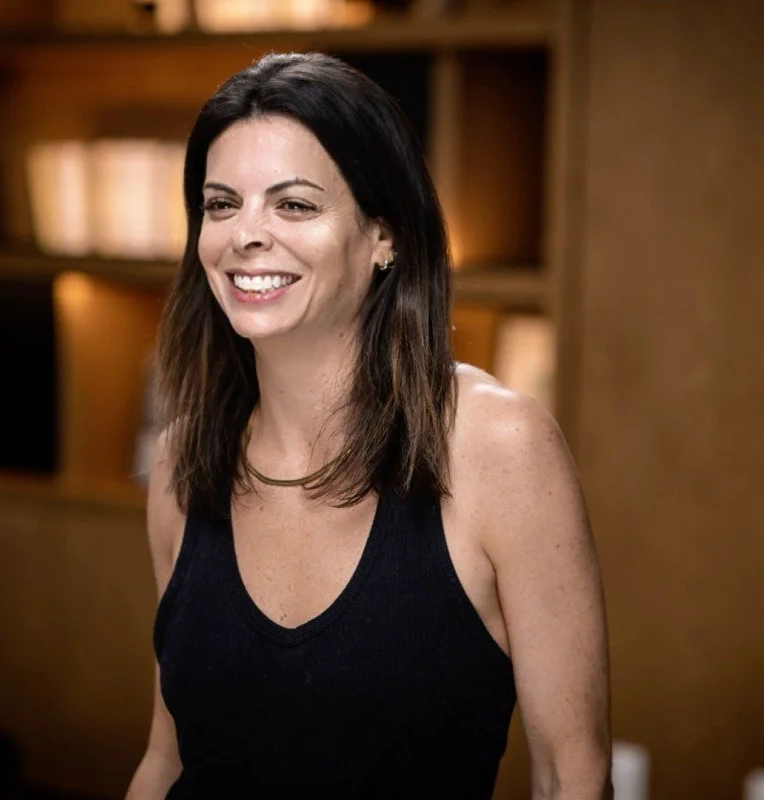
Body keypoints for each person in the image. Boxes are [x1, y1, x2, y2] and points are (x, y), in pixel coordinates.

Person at [126, 52, 612, 799]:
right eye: (221, 204)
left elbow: (570, 777)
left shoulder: (498, 447)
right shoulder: (182, 459)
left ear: (384, 234)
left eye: (294, 205)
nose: (245, 234)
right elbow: (167, 760)